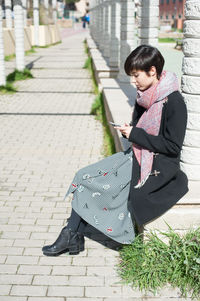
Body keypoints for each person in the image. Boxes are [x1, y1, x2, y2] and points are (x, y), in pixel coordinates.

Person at [42, 45, 188, 256]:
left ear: (153, 71)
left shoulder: (174, 102)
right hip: (137, 155)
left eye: (136, 75)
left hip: (157, 166)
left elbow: (172, 146)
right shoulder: (144, 96)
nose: (133, 81)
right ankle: (72, 235)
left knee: (92, 181)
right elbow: (139, 129)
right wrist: (128, 131)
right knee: (83, 175)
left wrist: (135, 135)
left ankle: (71, 235)